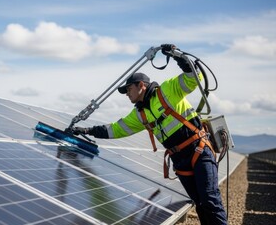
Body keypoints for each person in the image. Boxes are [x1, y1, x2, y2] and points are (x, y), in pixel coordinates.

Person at [72, 44, 227, 225]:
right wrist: (87, 130)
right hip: (180, 160)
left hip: (198, 151)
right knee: (200, 203)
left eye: (128, 89)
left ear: (141, 86)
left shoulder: (168, 90)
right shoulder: (139, 114)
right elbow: (116, 129)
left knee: (209, 198)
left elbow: (194, 77)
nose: (126, 94)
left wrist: (178, 57)